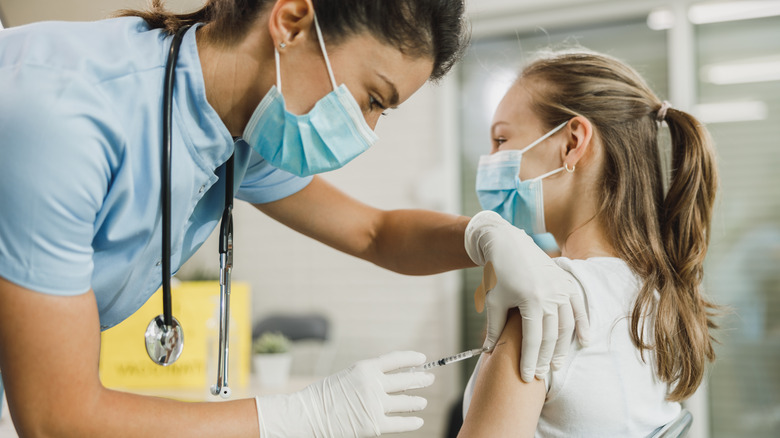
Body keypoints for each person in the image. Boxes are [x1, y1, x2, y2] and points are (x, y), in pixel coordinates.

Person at [0, 1, 589, 436]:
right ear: (292, 21)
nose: (368, 130)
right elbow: (56, 419)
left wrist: (484, 237)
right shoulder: (61, 120)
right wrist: (304, 416)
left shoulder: (234, 133)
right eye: (373, 99)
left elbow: (375, 233)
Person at [458, 49, 719, 437]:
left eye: (501, 138)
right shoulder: (660, 295)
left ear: (572, 143)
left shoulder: (544, 305)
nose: (490, 158)